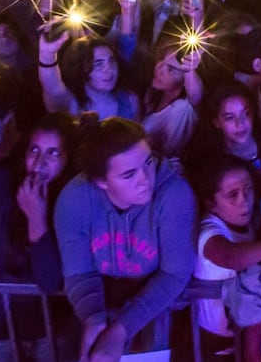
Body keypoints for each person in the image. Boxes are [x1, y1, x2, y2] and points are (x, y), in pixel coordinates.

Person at [55, 116, 195, 362]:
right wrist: (93, 318)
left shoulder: (174, 194)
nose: (145, 179)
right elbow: (79, 272)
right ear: (101, 181)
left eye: (148, 162)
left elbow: (175, 273)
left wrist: (121, 329)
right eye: (129, 174)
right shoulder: (75, 200)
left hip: (157, 308)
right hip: (100, 301)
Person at [189, 156, 261, 360]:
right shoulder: (209, 231)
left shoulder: (253, 222)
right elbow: (231, 257)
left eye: (248, 190)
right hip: (218, 343)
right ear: (211, 203)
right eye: (232, 195)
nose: (244, 201)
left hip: (252, 326)